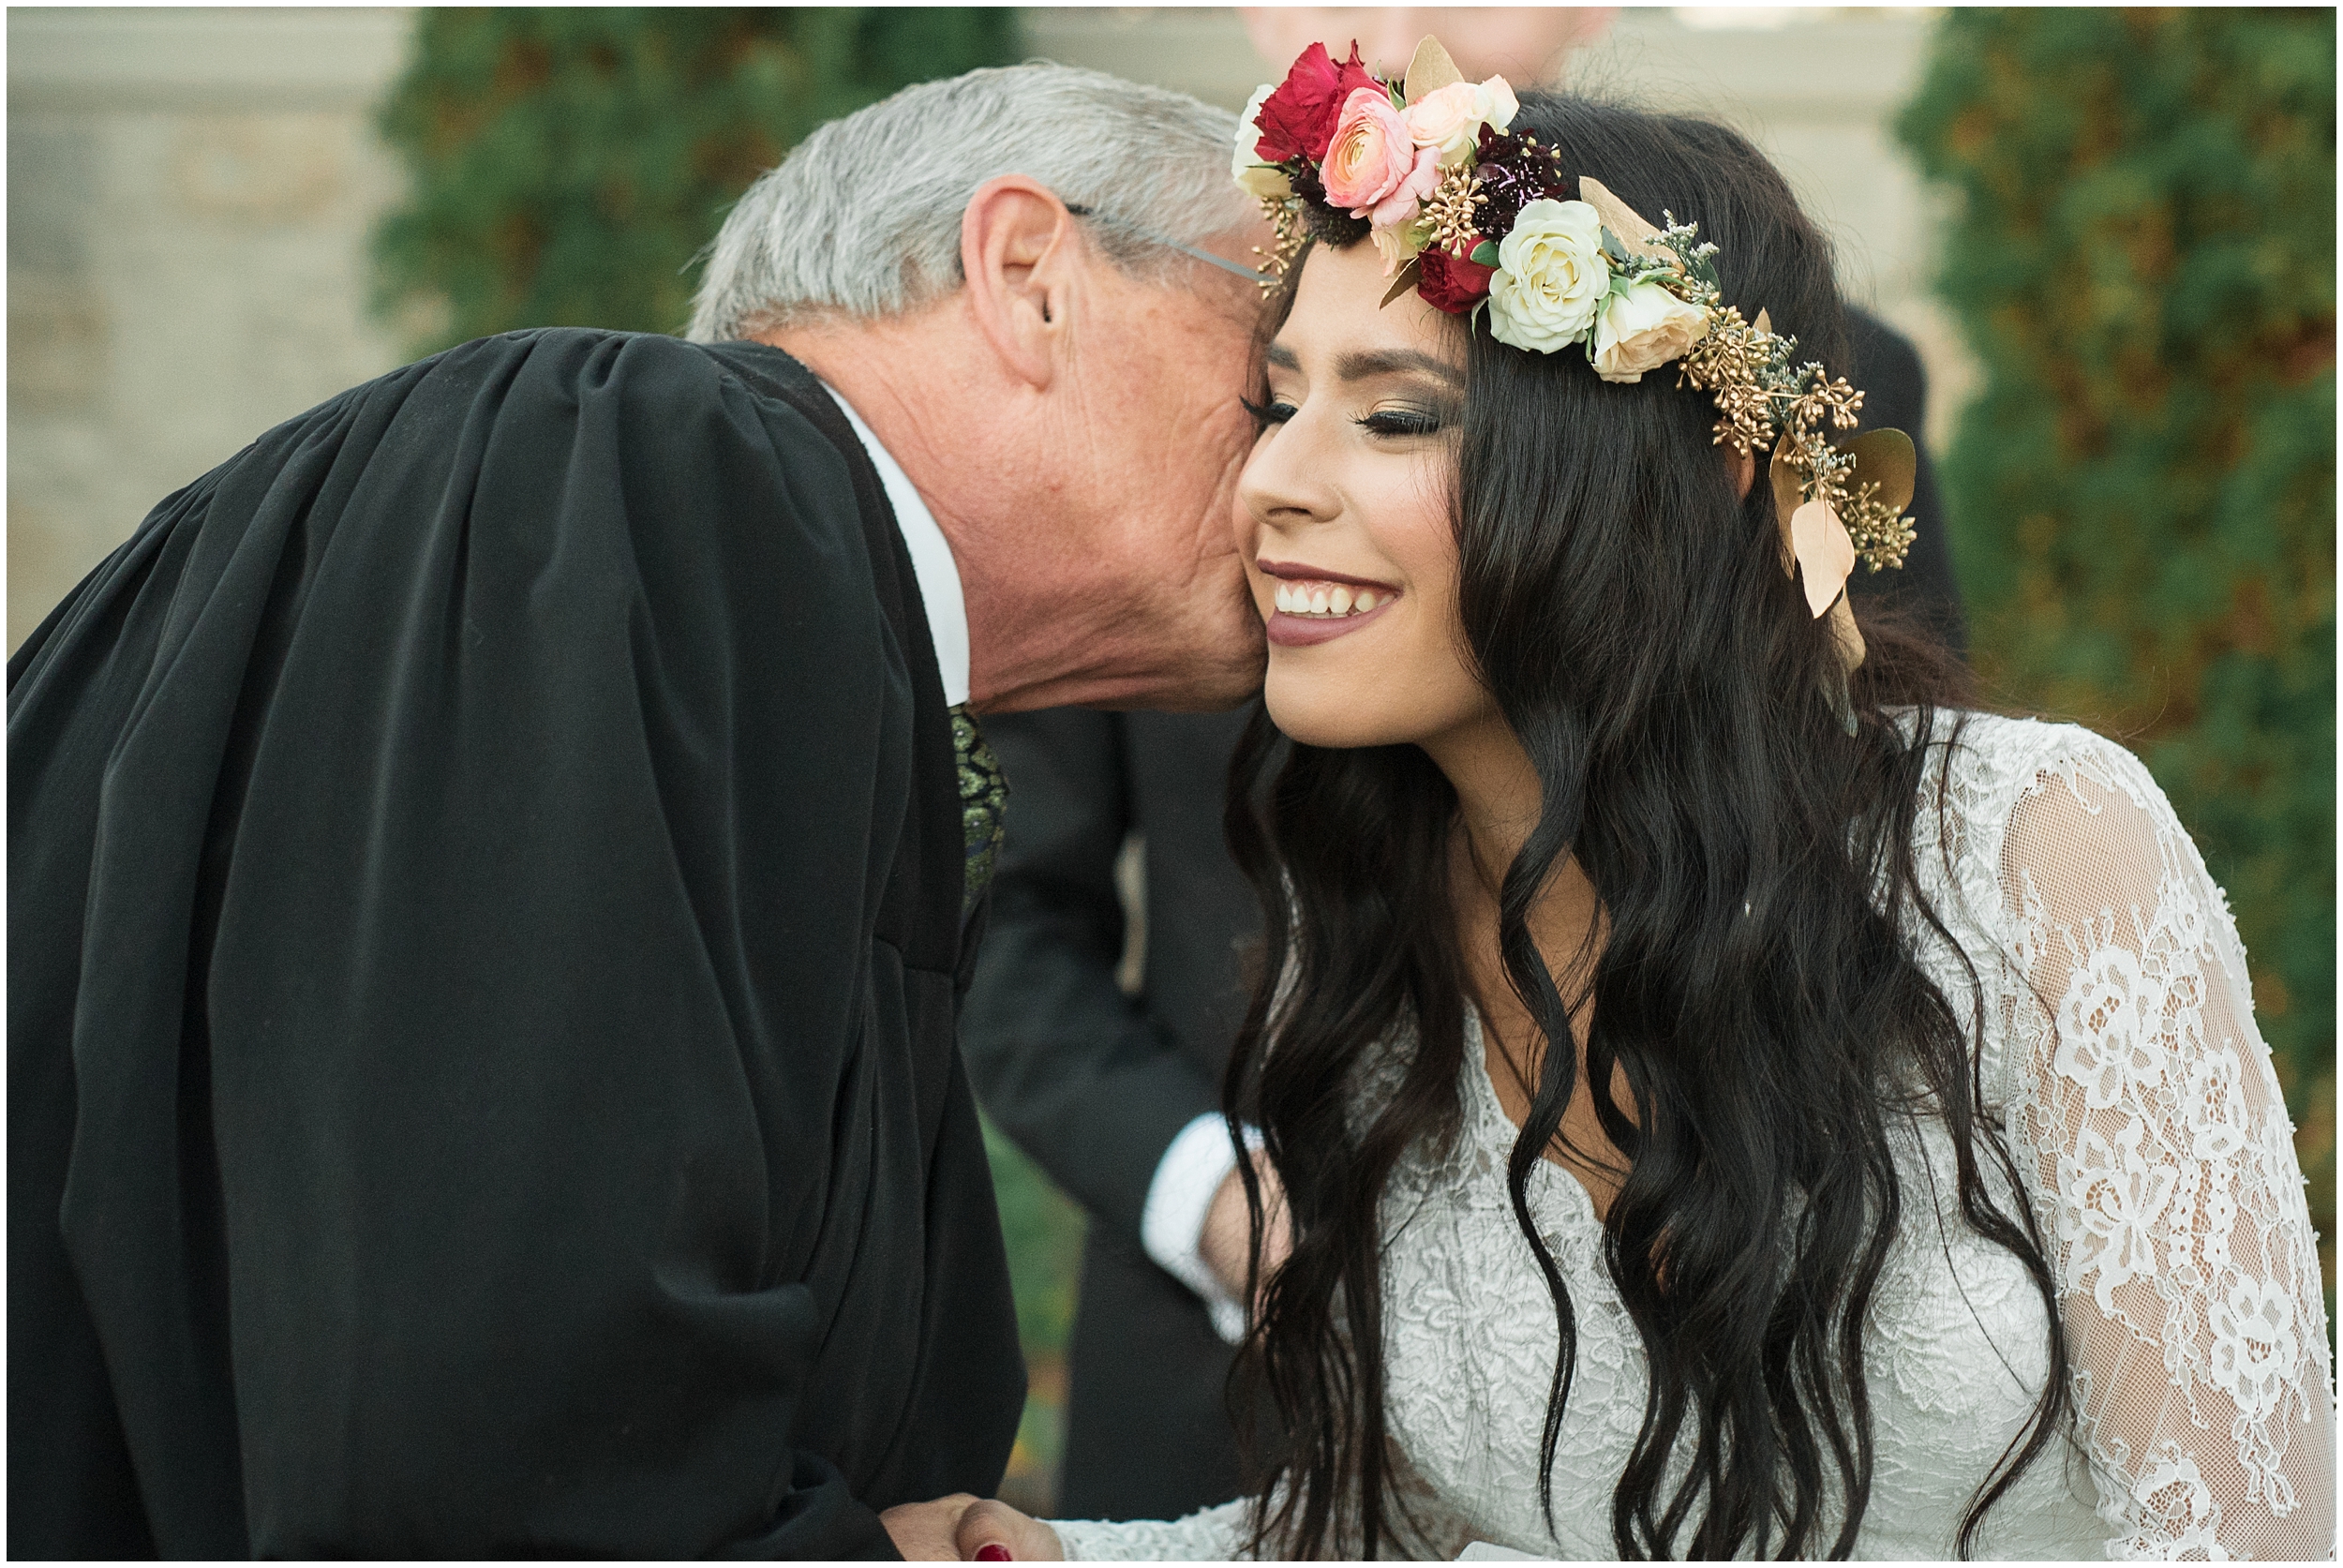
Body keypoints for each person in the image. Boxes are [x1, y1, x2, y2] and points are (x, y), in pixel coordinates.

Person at [930, 47, 2335, 1561]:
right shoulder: (1371, 947)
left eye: (1396, 417)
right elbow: (1415, 1525)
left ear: (1693, 471)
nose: (1273, 480)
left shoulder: (2031, 858)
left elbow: (2244, 1539)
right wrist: (1056, 1555)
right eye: (1277, 406)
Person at [7, 64, 1266, 1560]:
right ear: (1029, 277)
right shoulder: (631, 461)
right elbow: (490, 1437)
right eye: (1277, 373)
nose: (1306, 457)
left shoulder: (758, 572)